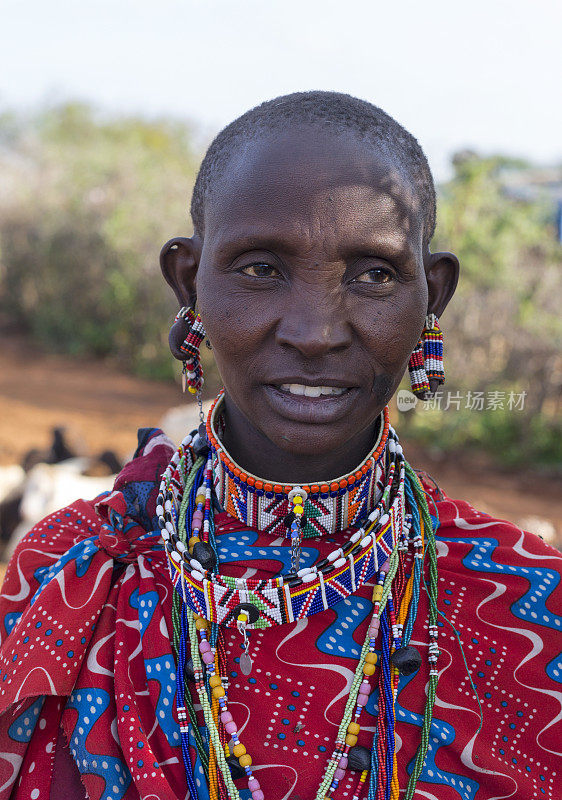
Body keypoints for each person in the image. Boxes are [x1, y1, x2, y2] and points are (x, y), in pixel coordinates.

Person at [0, 91, 560, 800]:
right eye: (261, 268)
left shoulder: (527, 600)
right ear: (189, 281)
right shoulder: (73, 569)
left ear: (432, 296)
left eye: (375, 274)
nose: (316, 332)